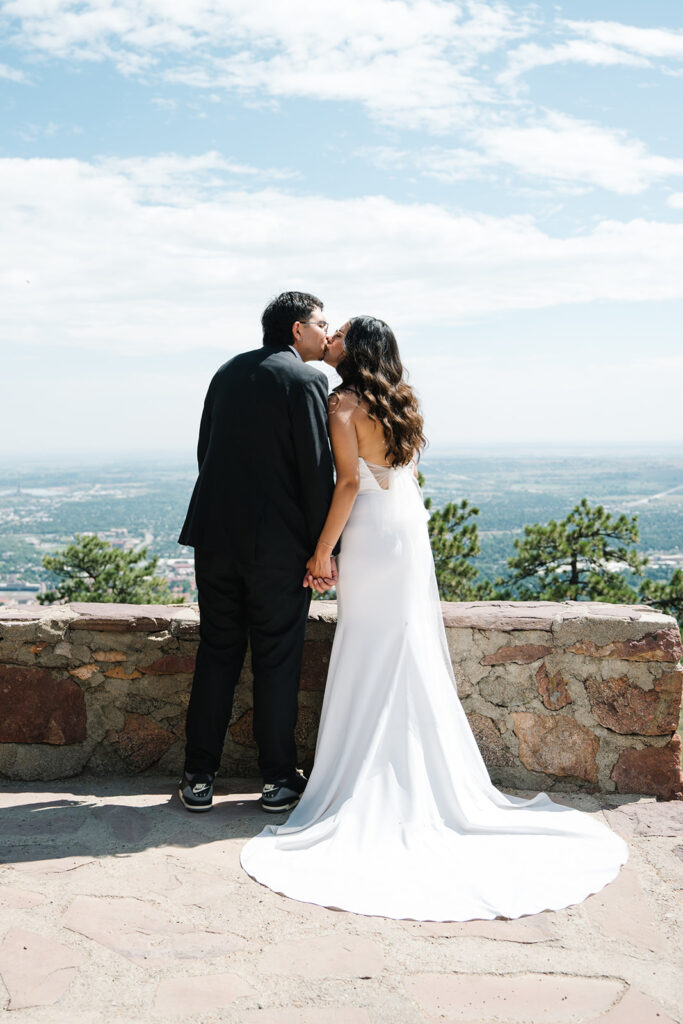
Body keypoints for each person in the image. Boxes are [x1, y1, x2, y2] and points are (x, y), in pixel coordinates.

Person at [240, 315, 629, 922]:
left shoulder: (342, 404)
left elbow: (347, 484)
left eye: (340, 332)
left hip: (369, 535)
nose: (332, 338)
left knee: (369, 647)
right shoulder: (401, 401)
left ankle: (363, 780)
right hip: (407, 533)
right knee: (406, 646)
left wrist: (321, 552)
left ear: (355, 349)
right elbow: (401, 478)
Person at [177, 291, 336, 814]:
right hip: (276, 547)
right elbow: (317, 472)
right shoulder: (308, 380)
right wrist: (322, 550)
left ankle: (198, 776)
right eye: (321, 324)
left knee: (217, 654)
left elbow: (206, 450)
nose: (326, 333)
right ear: (297, 330)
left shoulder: (225, 372)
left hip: (214, 539)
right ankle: (276, 780)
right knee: (276, 660)